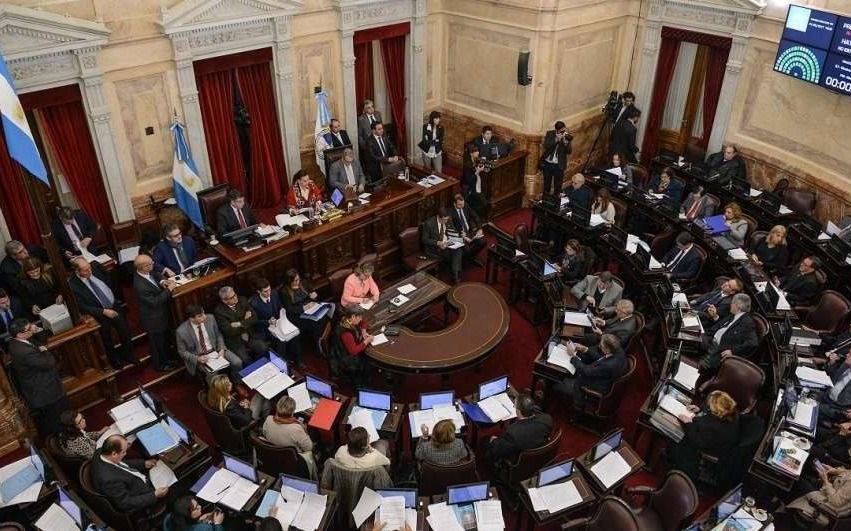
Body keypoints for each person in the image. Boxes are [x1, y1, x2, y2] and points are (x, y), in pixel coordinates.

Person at [69, 257, 135, 369]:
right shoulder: (73, 285)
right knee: (106, 339)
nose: (89, 271)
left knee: (125, 331)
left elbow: (110, 279)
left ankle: (129, 355)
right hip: (99, 314)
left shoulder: (95, 266)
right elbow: (82, 306)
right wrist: (103, 311)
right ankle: (114, 361)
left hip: (114, 305)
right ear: (77, 271)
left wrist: (114, 297)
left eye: (89, 268)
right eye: (85, 270)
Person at [8, 318, 69, 435]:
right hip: (46, 392)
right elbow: (49, 363)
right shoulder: (24, 351)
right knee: (59, 420)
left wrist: (37, 331)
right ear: (20, 334)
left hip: (41, 389)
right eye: (29, 329)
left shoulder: (15, 342)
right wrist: (45, 351)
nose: (32, 329)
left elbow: (39, 341)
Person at [667, 391, 741, 482]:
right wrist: (699, 410)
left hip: (710, 447)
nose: (708, 407)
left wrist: (688, 423)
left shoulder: (716, 427)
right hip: (711, 438)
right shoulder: (731, 413)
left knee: (678, 437)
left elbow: (697, 441)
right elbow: (710, 414)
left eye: (709, 406)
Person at [90, 434, 167, 513]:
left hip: (136, 480)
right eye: (123, 452)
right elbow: (125, 503)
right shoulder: (110, 480)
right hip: (143, 494)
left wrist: (144, 463)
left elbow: (122, 464)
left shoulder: (101, 452)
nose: (126, 454)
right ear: (114, 454)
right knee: (172, 486)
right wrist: (154, 495)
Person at [552, 334, 628, 408]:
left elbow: (586, 371)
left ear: (607, 350)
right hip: (602, 375)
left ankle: (577, 403)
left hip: (592, 385)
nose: (599, 346)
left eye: (601, 346)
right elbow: (601, 358)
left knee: (557, 384)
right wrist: (585, 349)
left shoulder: (608, 365)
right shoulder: (618, 350)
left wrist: (572, 355)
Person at [133, 254, 177, 372]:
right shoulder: (140, 286)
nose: (153, 264)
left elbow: (155, 274)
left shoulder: (146, 272)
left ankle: (168, 359)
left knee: (164, 341)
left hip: (161, 315)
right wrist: (169, 289)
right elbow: (155, 302)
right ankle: (160, 365)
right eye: (150, 264)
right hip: (153, 319)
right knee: (158, 345)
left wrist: (162, 281)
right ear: (143, 267)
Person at [176, 304, 243, 377]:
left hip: (216, 349)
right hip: (200, 356)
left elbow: (218, 335)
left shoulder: (210, 318)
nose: (204, 317)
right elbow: (182, 352)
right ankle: (216, 384)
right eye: (200, 316)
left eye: (203, 313)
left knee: (237, 362)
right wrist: (197, 359)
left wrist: (221, 349)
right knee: (212, 373)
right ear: (191, 319)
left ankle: (237, 381)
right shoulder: (181, 331)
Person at [249, 277, 302, 366]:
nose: (268, 293)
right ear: (258, 292)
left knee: (294, 333)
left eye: (269, 290)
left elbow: (279, 305)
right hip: (266, 329)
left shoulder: (274, 293)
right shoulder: (254, 303)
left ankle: (297, 361)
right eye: (265, 291)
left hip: (279, 323)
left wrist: (282, 309)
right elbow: (254, 321)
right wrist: (267, 322)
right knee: (280, 340)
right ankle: (282, 364)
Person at [484, 394, 553, 462]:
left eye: (514, 406)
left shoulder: (513, 433)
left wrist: (493, 440)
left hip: (521, 458)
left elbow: (498, 450)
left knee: (485, 441)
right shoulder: (547, 418)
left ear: (518, 411)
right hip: (539, 450)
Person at [699, 293, 758, 370]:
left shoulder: (747, 322)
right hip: (709, 339)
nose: (730, 305)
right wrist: (715, 316)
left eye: (732, 303)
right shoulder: (733, 315)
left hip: (717, 350)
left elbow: (753, 343)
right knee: (687, 337)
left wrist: (733, 351)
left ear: (738, 306)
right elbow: (722, 327)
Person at [262, 396, 316, 478]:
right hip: (295, 461)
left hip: (273, 458)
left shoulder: (268, 419)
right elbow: (309, 448)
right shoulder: (296, 428)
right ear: (292, 412)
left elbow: (264, 434)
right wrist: (305, 431)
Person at [787, 463, 851, 527]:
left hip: (831, 505)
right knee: (805, 475)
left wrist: (825, 481)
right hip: (831, 490)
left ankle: (786, 502)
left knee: (800, 482)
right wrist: (834, 470)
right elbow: (847, 473)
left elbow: (836, 500)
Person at [281, 268, 333, 340]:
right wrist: (303, 308)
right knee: (316, 322)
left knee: (325, 315)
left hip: (311, 307)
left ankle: (325, 339)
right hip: (298, 314)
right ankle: (319, 341)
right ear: (290, 281)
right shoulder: (285, 291)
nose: (298, 281)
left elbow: (312, 293)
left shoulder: (303, 283)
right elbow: (290, 309)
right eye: (295, 280)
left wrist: (314, 296)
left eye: (298, 279)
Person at [214, 285, 258, 365]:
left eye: (235, 295)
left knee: (263, 348)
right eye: (232, 297)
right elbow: (229, 331)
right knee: (245, 359)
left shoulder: (242, 300)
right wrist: (246, 321)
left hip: (250, 334)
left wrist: (239, 323)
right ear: (224, 301)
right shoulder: (219, 311)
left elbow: (254, 318)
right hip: (235, 341)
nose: (235, 298)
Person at [333, 307, 372, 387]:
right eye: (359, 317)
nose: (361, 319)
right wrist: (366, 341)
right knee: (368, 359)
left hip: (350, 347)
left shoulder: (347, 318)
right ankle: (362, 384)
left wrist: (363, 331)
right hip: (346, 357)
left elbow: (363, 322)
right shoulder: (346, 333)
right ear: (353, 316)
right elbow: (353, 351)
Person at [422, 208, 463, 284]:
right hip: (435, 248)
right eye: (444, 220)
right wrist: (438, 243)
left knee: (458, 250)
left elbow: (452, 231)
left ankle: (455, 274)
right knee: (453, 254)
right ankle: (456, 275)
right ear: (438, 217)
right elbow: (425, 240)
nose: (446, 222)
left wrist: (457, 237)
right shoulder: (429, 224)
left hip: (448, 243)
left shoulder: (447, 219)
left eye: (447, 219)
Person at [539, 121, 573, 196]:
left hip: (559, 165)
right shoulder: (550, 133)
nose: (563, 132)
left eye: (564, 130)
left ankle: (555, 200)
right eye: (561, 131)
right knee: (546, 184)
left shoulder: (566, 136)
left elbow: (569, 151)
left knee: (558, 185)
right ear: (557, 130)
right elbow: (546, 146)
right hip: (547, 164)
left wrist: (566, 143)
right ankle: (545, 200)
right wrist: (556, 140)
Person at [450, 194, 486, 266]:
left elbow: (475, 216)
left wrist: (480, 228)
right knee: (467, 250)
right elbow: (452, 228)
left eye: (463, 204)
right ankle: (467, 260)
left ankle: (470, 257)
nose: (462, 206)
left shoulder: (465, 206)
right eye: (460, 205)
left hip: (469, 232)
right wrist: (463, 237)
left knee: (482, 242)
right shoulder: (451, 212)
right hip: (460, 236)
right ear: (454, 204)